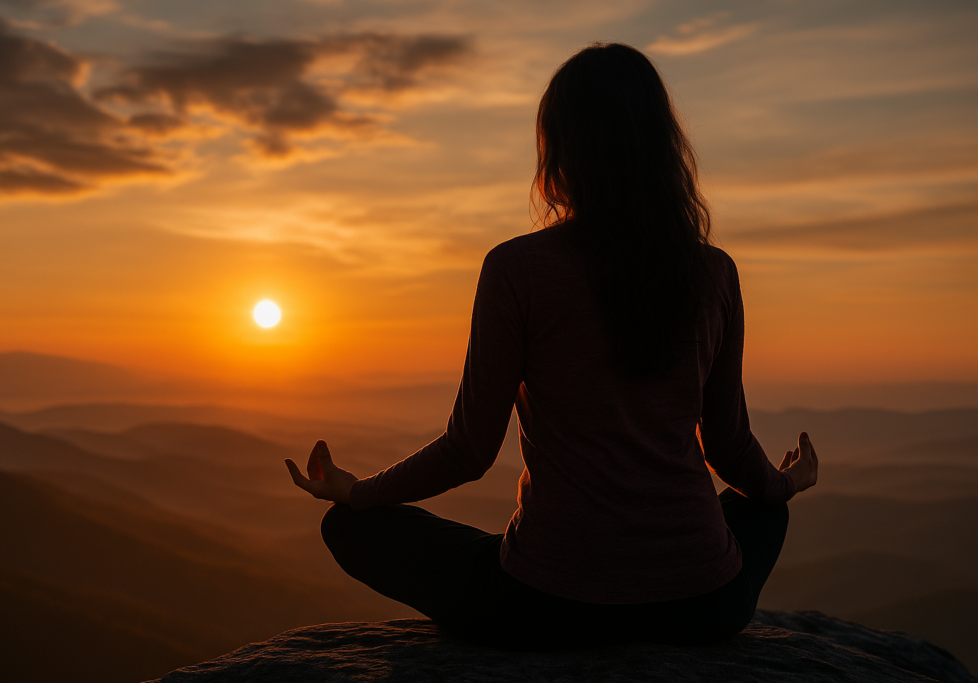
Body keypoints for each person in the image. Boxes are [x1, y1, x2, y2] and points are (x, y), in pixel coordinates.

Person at [284, 42, 819, 651]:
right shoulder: (714, 273)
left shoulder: (518, 270)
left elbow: (468, 451)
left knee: (350, 530)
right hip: (703, 606)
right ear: (663, 147)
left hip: (549, 607)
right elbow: (728, 449)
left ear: (561, 148)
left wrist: (357, 492)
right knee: (765, 508)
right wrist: (787, 485)